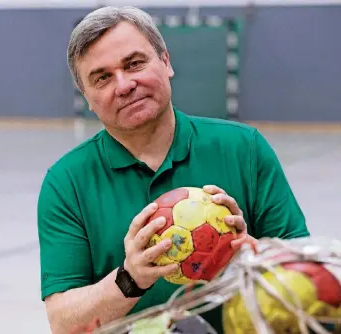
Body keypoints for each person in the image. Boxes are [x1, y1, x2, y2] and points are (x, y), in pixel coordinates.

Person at [37, 6, 310, 334]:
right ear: (88, 98)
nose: (124, 85)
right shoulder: (66, 182)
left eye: (134, 63)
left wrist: (250, 255)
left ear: (166, 61)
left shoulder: (244, 148)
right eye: (102, 78)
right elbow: (64, 322)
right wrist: (130, 277)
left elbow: (309, 280)